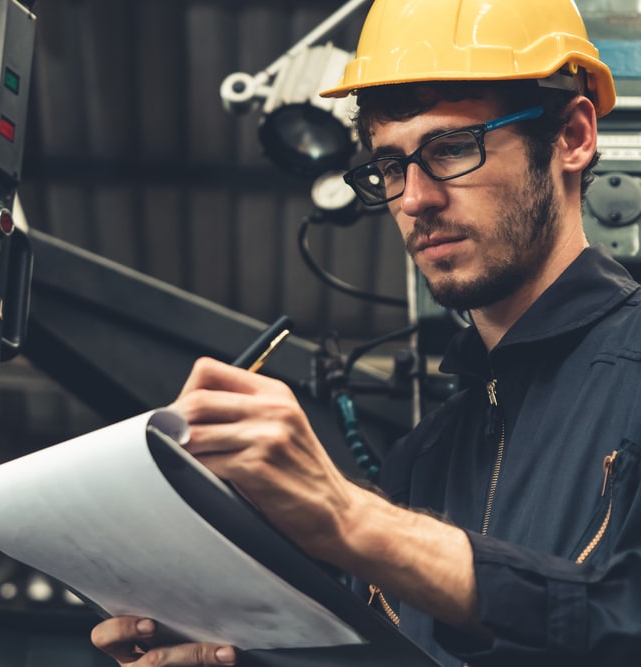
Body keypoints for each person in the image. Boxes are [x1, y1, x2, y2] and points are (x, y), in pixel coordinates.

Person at [90, 0, 641, 665]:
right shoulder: (423, 461)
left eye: (450, 148)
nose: (413, 199)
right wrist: (227, 648)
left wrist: (355, 521)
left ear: (573, 137)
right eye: (389, 166)